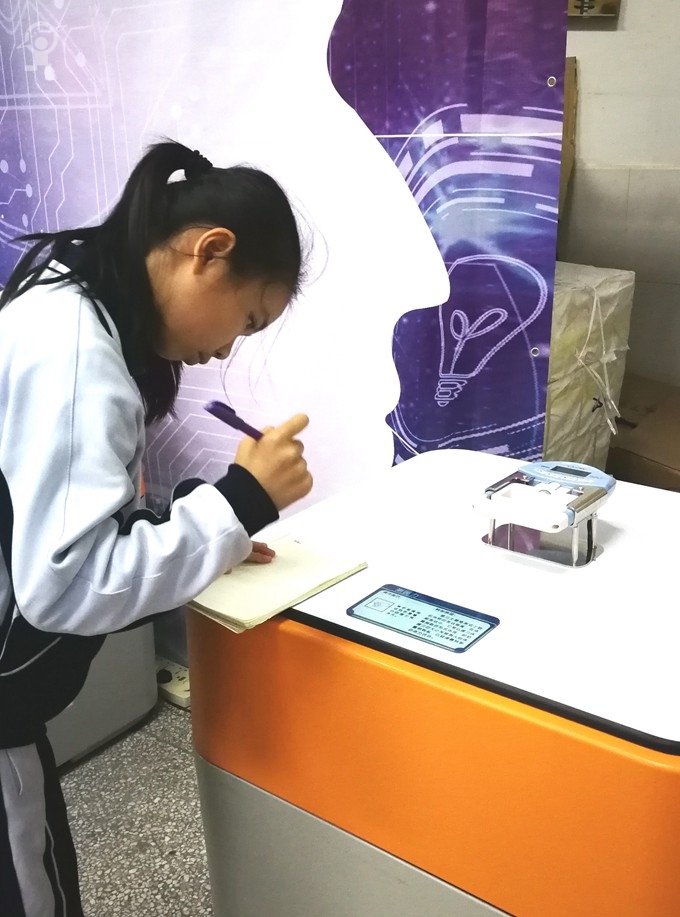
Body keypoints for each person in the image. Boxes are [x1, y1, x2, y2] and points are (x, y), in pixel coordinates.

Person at [0, 139, 312, 916]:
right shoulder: (78, 354)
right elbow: (66, 585)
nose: (225, 349)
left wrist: (210, 532)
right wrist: (241, 500)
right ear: (210, 251)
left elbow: (53, 508)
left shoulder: (68, 290)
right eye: (246, 319)